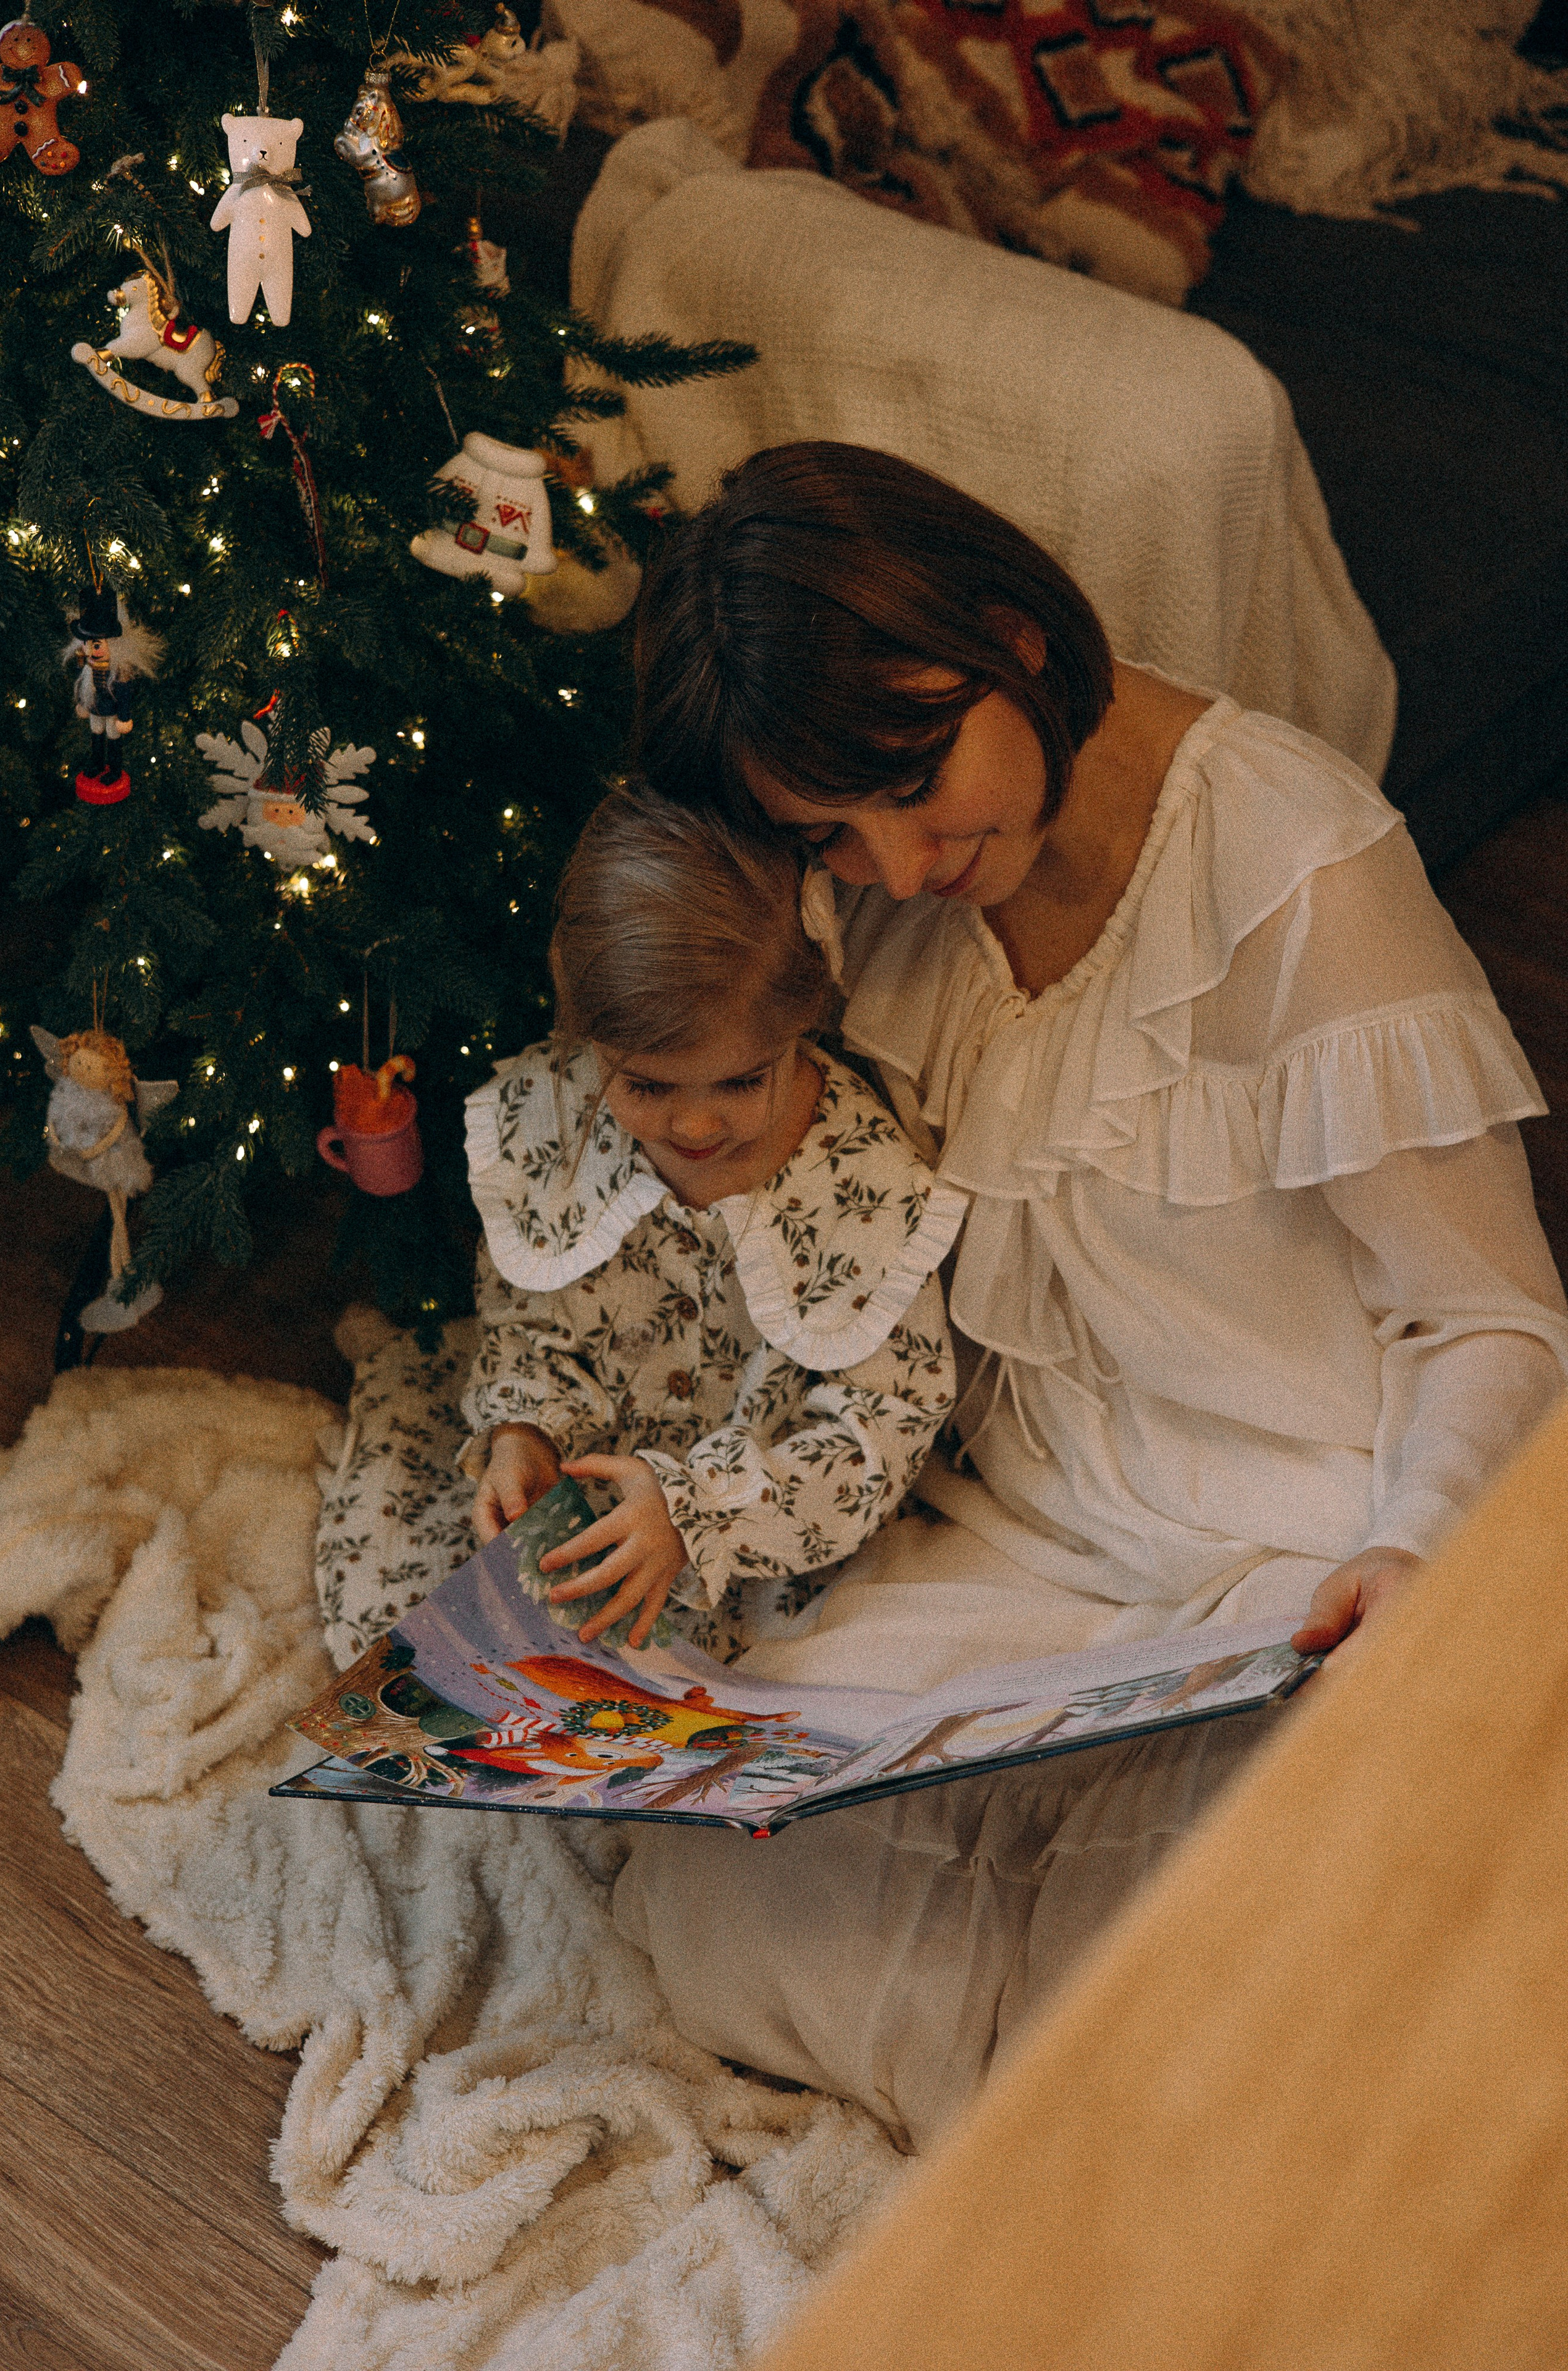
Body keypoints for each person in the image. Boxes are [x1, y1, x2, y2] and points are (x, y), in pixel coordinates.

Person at [610, 441, 1568, 2149]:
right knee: (700, 1903)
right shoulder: (883, 904)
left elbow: (1490, 1316)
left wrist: (1416, 1549)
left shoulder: (1296, 866)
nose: (901, 867)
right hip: (1027, 1541)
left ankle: (1116, 2091)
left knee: (1213, 1950)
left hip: (1304, 1557)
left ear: (1016, 640)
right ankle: (1108, 2095)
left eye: (913, 786)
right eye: (838, 830)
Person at [459, 778, 965, 1660]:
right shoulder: (559, 1127)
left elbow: (879, 1428)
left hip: (773, 1555)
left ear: (804, 1020)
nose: (694, 1127)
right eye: (646, 1085)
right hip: (586, 1541)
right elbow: (529, 1325)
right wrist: (524, 1435)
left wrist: (702, 1514)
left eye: (740, 1081)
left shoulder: (867, 1185)